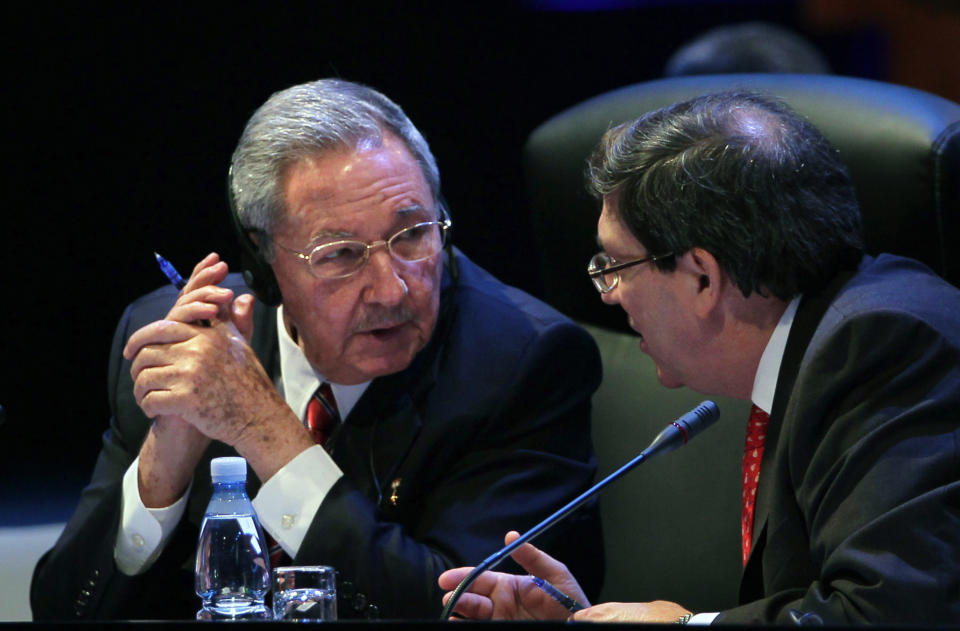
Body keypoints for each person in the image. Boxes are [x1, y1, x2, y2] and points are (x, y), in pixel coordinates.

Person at [31, 79, 604, 620]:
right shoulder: (182, 341)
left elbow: (450, 608)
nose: (392, 288)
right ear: (263, 259)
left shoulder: (523, 361)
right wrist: (167, 457)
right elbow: (62, 609)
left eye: (412, 235)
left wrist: (262, 428)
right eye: (340, 254)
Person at [439, 91, 960, 625]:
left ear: (702, 277)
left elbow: (885, 614)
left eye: (615, 264)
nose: (606, 293)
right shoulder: (826, 348)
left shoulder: (885, 348)